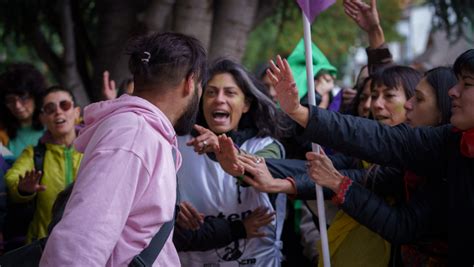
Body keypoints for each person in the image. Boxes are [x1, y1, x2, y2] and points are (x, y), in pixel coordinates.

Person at [266, 49, 474, 265]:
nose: (374, 105)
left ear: (441, 111)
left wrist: (336, 183)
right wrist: (299, 113)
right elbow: (377, 139)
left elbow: (399, 224)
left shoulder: (440, 159)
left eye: (467, 84)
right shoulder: (451, 143)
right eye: (370, 96)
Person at [39, 32, 207, 266]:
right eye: (201, 85)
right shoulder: (134, 135)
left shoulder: (142, 133)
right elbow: (80, 243)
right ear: (190, 82)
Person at [177, 58, 287, 266]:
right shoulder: (178, 145)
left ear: (246, 104)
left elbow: (261, 171)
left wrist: (221, 149)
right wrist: (172, 209)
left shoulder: (266, 146)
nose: (219, 99)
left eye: (230, 93)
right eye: (211, 92)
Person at [4, 86, 83, 244]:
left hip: (87, 243)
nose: (58, 112)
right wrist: (22, 189)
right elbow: (11, 178)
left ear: (76, 112)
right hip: (45, 246)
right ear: (43, 118)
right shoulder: (34, 153)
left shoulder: (95, 148)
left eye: (64, 105)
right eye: (50, 108)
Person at [0, 63, 46, 161]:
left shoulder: (54, 126)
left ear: (36, 97)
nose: (17, 105)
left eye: (23, 98)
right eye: (10, 100)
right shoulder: (2, 133)